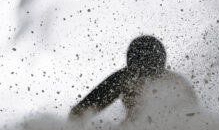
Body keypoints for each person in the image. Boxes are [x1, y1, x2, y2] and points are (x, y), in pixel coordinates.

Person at [69, 35, 198, 122]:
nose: (146, 77)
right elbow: (78, 113)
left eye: (151, 67)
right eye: (142, 67)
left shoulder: (176, 83)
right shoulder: (123, 78)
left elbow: (195, 118)